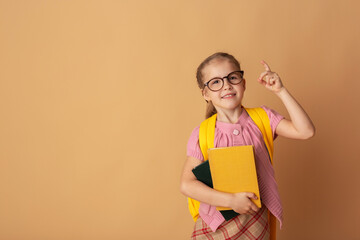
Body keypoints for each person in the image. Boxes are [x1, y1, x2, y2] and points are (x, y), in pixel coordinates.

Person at [180, 52, 315, 239]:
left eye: (232, 77)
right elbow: (187, 185)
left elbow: (306, 131)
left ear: (243, 83)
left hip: (255, 219)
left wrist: (280, 91)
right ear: (206, 93)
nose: (226, 85)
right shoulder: (202, 133)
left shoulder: (262, 119)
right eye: (216, 82)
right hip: (215, 222)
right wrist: (231, 201)